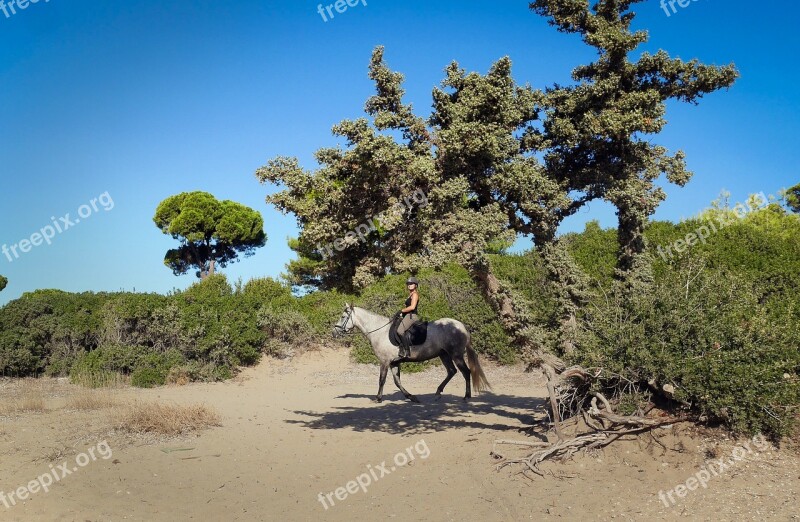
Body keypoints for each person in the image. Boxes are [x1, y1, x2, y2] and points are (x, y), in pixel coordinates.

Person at [395, 277, 420, 358]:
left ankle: (407, 351)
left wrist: (401, 310)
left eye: (411, 284)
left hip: (412, 316)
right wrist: (401, 314)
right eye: (408, 284)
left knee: (400, 330)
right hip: (407, 316)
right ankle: (401, 347)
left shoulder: (415, 294)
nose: (409, 285)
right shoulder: (410, 295)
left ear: (415, 285)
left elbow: (412, 307)